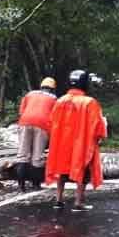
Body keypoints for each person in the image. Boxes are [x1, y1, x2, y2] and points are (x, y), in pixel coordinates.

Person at [45, 70, 107, 211]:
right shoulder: (89, 102)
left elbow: (51, 123)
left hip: (62, 144)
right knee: (82, 170)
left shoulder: (60, 101)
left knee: (61, 170)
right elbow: (98, 126)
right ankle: (78, 202)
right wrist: (99, 138)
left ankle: (59, 199)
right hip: (81, 144)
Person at [14, 77, 57, 192]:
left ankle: (21, 186)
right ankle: (35, 184)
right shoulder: (54, 99)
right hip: (42, 125)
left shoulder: (29, 94)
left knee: (22, 155)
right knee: (37, 156)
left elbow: (21, 112)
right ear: (53, 89)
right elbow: (54, 118)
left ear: (41, 86)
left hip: (25, 122)